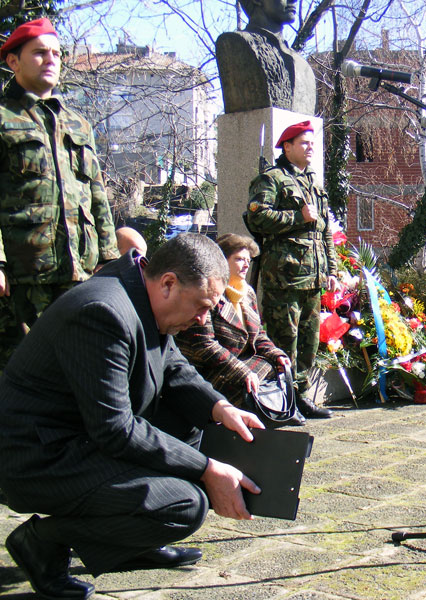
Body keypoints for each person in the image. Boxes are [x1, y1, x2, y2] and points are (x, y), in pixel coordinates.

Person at [0, 234, 263, 599]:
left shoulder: (142, 293)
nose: (204, 318)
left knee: (191, 416)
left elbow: (172, 367)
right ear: (169, 283)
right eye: (202, 306)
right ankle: (42, 542)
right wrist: (207, 468)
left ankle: (133, 540)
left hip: (80, 435)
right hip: (40, 456)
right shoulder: (103, 311)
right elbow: (116, 429)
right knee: (184, 505)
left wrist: (221, 407)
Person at [0, 18, 119, 369]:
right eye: (39, 53)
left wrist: (110, 259)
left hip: (78, 273)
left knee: (77, 367)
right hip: (23, 277)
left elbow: (96, 193)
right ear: (13, 61)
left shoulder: (77, 124)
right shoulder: (3, 118)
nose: (50, 59)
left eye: (55, 53)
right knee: (21, 372)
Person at [245, 120, 335, 418]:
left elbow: (324, 232)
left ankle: (301, 395)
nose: (311, 148)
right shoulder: (271, 179)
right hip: (284, 277)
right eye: (304, 143)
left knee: (309, 342)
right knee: (284, 341)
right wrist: (297, 216)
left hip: (313, 277)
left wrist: (331, 270)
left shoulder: (313, 183)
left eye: (313, 143)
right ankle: (282, 401)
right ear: (287, 146)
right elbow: (256, 218)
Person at [176, 233, 303, 424]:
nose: (246, 265)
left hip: (242, 361)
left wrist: (277, 354)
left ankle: (279, 410)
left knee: (278, 365)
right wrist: (242, 371)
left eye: (248, 260)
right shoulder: (208, 291)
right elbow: (204, 346)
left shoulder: (247, 292)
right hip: (210, 367)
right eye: (239, 259)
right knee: (248, 379)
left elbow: (258, 333)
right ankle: (260, 413)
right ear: (222, 260)